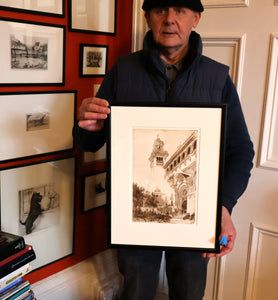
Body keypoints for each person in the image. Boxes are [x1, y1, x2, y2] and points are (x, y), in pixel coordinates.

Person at [73, 0, 255, 299]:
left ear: (195, 19)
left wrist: (223, 205)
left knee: (188, 292)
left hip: (198, 221)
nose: (169, 20)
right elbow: (92, 142)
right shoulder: (123, 71)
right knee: (136, 291)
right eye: (160, 10)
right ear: (147, 18)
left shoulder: (217, 77)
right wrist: (83, 124)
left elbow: (241, 151)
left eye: (180, 11)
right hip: (132, 223)